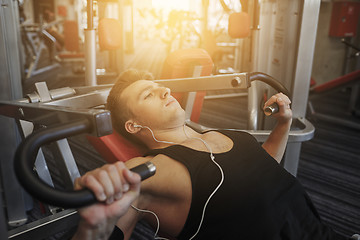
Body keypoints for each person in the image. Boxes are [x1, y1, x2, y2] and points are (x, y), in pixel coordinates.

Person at [72, 69, 352, 240]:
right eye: (148, 94)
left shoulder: (219, 134)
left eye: (160, 86)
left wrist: (283, 124)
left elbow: (262, 169)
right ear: (134, 126)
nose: (164, 90)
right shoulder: (147, 170)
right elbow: (107, 223)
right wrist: (92, 227)